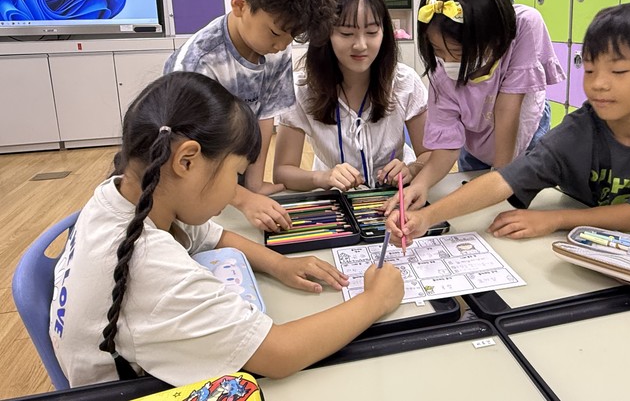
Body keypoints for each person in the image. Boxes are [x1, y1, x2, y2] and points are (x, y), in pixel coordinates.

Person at [49, 72, 403, 387]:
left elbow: (212, 236)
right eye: (235, 174)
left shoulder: (122, 193)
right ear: (186, 161)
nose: (237, 189)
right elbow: (279, 354)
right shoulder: (151, 267)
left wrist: (280, 264)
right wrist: (375, 300)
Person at [387, 3, 630, 251]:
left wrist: (555, 219)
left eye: (618, 72)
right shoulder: (581, 128)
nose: (598, 84)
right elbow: (504, 179)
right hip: (599, 254)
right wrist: (427, 218)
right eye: (589, 70)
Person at [164, 0, 336, 232]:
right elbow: (181, 156)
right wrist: (243, 199)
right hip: (185, 182)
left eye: (292, 36)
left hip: (231, 176)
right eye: (275, 33)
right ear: (240, 4)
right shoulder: (197, 64)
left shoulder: (274, 49)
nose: (282, 45)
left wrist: (254, 185)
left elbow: (264, 117)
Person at [384, 0, 565, 213]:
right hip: (476, 141)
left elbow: (508, 107)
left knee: (519, 210)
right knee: (476, 212)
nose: (447, 61)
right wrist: (420, 185)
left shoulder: (523, 26)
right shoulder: (440, 74)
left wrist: (498, 178)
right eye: (437, 50)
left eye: (458, 53)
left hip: (524, 133)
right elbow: (447, 145)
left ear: (495, 38)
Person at [273, 0, 429, 191]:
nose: (361, 45)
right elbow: (282, 171)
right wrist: (322, 178)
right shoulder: (301, 89)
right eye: (347, 33)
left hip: (394, 197)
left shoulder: (405, 82)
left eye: (372, 32)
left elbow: (428, 154)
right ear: (325, 34)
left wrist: (412, 169)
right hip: (335, 197)